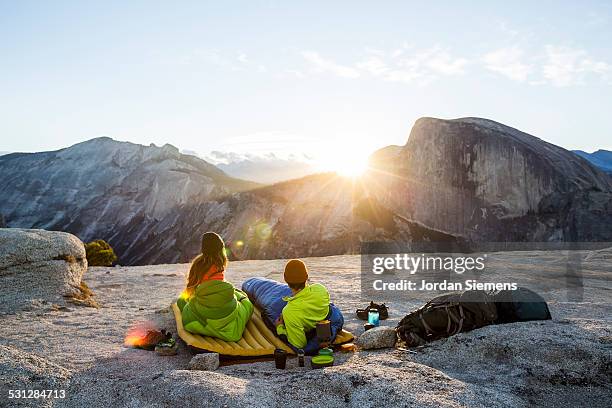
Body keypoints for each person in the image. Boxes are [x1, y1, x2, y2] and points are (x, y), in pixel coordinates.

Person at [176, 232, 253, 342]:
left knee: (182, 301)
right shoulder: (219, 265)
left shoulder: (198, 264)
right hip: (225, 314)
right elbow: (218, 292)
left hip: (203, 313)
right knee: (246, 303)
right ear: (221, 249)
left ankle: (206, 325)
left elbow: (190, 291)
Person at [274, 259, 331, 349]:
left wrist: (280, 327)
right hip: (324, 322)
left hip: (307, 331)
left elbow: (299, 344)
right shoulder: (320, 289)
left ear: (285, 278)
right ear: (307, 276)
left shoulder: (289, 311)